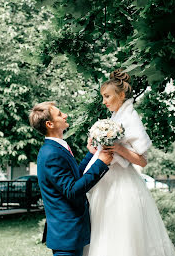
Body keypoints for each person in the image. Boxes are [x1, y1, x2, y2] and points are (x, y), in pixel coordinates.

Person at [82, 69, 175, 256]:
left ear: (121, 95)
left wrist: (119, 149)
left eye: (107, 96)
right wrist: (93, 148)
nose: (104, 101)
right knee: (104, 232)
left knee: (123, 235)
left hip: (123, 185)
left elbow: (142, 161)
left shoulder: (130, 118)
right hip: (105, 183)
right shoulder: (114, 118)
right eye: (103, 97)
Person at [29, 102, 113, 256]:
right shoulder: (51, 154)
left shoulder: (58, 147)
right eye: (60, 114)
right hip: (67, 235)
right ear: (50, 124)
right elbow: (73, 191)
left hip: (72, 233)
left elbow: (73, 179)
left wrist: (91, 154)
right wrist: (101, 163)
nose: (65, 115)